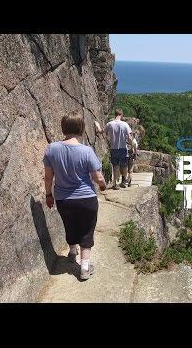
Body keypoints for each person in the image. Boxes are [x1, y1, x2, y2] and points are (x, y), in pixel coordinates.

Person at [43, 111, 106, 281]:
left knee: (69, 226)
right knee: (86, 231)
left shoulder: (51, 149)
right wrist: (103, 185)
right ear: (81, 128)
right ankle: (84, 268)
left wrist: (49, 194)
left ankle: (72, 252)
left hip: (63, 199)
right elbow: (97, 177)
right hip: (86, 199)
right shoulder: (86, 151)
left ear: (63, 128)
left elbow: (48, 177)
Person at [95, 109, 132, 190]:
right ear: (121, 115)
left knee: (115, 165)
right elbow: (129, 137)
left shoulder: (110, 124)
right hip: (123, 147)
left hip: (113, 148)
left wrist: (97, 125)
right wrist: (132, 147)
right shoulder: (125, 124)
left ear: (115, 114)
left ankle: (115, 183)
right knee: (124, 165)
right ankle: (124, 182)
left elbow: (101, 131)